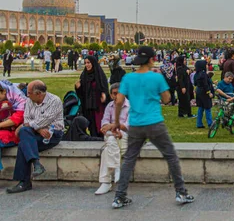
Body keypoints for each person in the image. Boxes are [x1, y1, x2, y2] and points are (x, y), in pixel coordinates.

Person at [110, 46, 194, 208]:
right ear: (151, 59)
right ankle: (181, 193)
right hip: (154, 123)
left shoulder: (128, 78)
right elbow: (167, 99)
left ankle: (119, 196)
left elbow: (119, 101)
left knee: (129, 159)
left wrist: (116, 122)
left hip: (135, 124)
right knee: (170, 156)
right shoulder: (156, 78)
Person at [6, 81, 64, 194]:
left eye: (29, 93)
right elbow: (26, 119)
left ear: (39, 94)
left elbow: (44, 121)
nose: (27, 95)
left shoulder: (54, 101)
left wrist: (31, 126)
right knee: (24, 133)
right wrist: (38, 129)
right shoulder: (29, 101)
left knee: (23, 143)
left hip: (52, 134)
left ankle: (24, 182)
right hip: (35, 132)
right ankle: (36, 164)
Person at [76, 55, 109, 137]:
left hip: (98, 106)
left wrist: (104, 94)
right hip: (88, 106)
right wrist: (78, 88)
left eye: (88, 63)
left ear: (93, 63)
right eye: (85, 63)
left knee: (99, 125)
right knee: (92, 126)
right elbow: (81, 93)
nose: (87, 65)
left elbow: (104, 88)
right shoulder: (84, 75)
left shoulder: (99, 75)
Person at [0, 80, 27, 171]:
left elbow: (16, 119)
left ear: (4, 91)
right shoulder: (3, 98)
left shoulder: (19, 100)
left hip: (13, 132)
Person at [194, 60, 213, 129]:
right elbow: (205, 84)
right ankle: (210, 123)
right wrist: (209, 92)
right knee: (207, 108)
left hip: (198, 90)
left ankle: (199, 123)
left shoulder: (196, 74)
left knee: (201, 107)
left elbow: (195, 83)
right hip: (204, 92)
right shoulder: (203, 74)